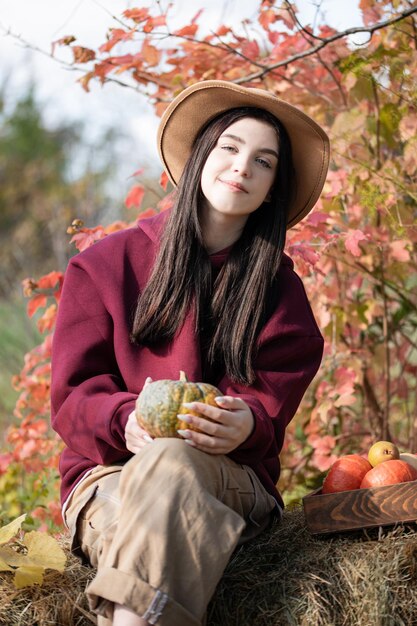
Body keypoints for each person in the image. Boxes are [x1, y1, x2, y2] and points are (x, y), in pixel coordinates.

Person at [51, 80, 330, 626]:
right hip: (109, 476)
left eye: (264, 161)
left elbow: (270, 402)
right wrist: (123, 419)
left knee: (174, 460)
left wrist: (245, 424)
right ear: (202, 155)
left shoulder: (279, 290)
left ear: (273, 187)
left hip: (230, 483)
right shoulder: (105, 266)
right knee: (149, 516)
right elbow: (71, 400)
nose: (241, 167)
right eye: (229, 147)